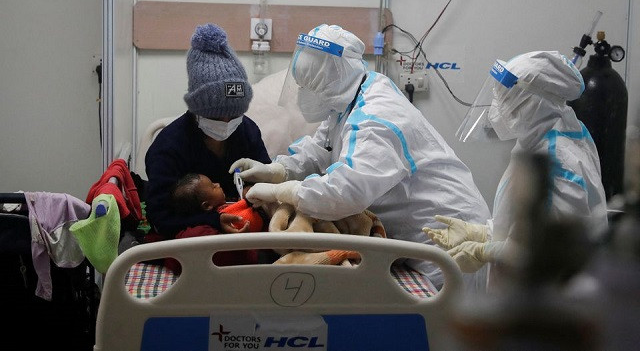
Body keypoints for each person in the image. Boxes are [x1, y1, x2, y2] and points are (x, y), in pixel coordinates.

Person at [230, 23, 491, 289]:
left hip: (447, 244)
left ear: (333, 81)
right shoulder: (349, 100)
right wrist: (279, 170)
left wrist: (282, 192)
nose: (302, 96)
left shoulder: (378, 118)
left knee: (447, 328)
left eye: (310, 87)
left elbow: (345, 193)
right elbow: (322, 150)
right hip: (415, 240)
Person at [424, 50, 608, 281]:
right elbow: (526, 224)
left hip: (548, 303)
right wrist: (481, 233)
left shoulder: (557, 160)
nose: (496, 106)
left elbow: (551, 249)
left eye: (506, 97)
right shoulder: (538, 142)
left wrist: (485, 251)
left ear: (534, 103)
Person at [145, 23, 271, 240]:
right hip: (194, 240)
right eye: (215, 116)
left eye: (233, 115)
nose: (225, 123)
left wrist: (257, 193)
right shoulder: (168, 148)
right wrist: (213, 221)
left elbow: (268, 178)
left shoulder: (247, 131)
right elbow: (160, 218)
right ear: (197, 111)